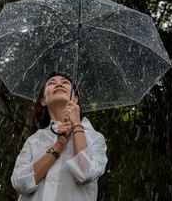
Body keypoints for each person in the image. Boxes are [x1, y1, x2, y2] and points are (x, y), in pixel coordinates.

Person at [11, 71, 108, 200]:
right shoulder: (34, 140)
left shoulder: (95, 138)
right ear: (43, 101)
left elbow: (86, 175)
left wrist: (77, 126)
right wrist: (58, 146)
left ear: (75, 99)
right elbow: (21, 184)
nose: (58, 84)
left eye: (65, 83)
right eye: (52, 83)